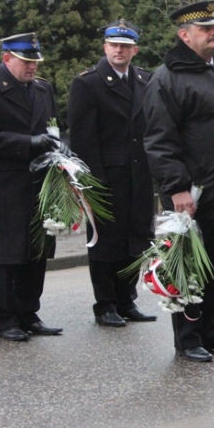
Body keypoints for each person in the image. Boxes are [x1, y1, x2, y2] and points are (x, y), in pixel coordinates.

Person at [143, 1, 214, 362]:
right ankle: (189, 338)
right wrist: (176, 188)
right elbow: (160, 140)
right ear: (184, 36)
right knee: (188, 268)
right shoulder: (168, 77)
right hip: (189, 196)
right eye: (205, 29)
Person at [0, 32, 64, 342]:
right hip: (7, 182)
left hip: (40, 182)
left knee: (36, 252)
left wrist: (62, 150)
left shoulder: (43, 89)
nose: (32, 67)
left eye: (35, 61)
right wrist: (27, 143)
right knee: (5, 254)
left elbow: (54, 128)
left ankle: (28, 312)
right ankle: (5, 318)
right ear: (7, 59)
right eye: (26, 61)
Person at [67, 19, 156, 327]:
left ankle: (126, 299)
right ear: (105, 47)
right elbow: (82, 138)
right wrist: (92, 183)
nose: (119, 50)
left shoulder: (145, 79)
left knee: (136, 239)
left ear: (135, 50)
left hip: (139, 174)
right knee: (105, 243)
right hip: (106, 176)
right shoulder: (88, 83)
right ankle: (105, 303)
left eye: (125, 46)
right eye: (114, 45)